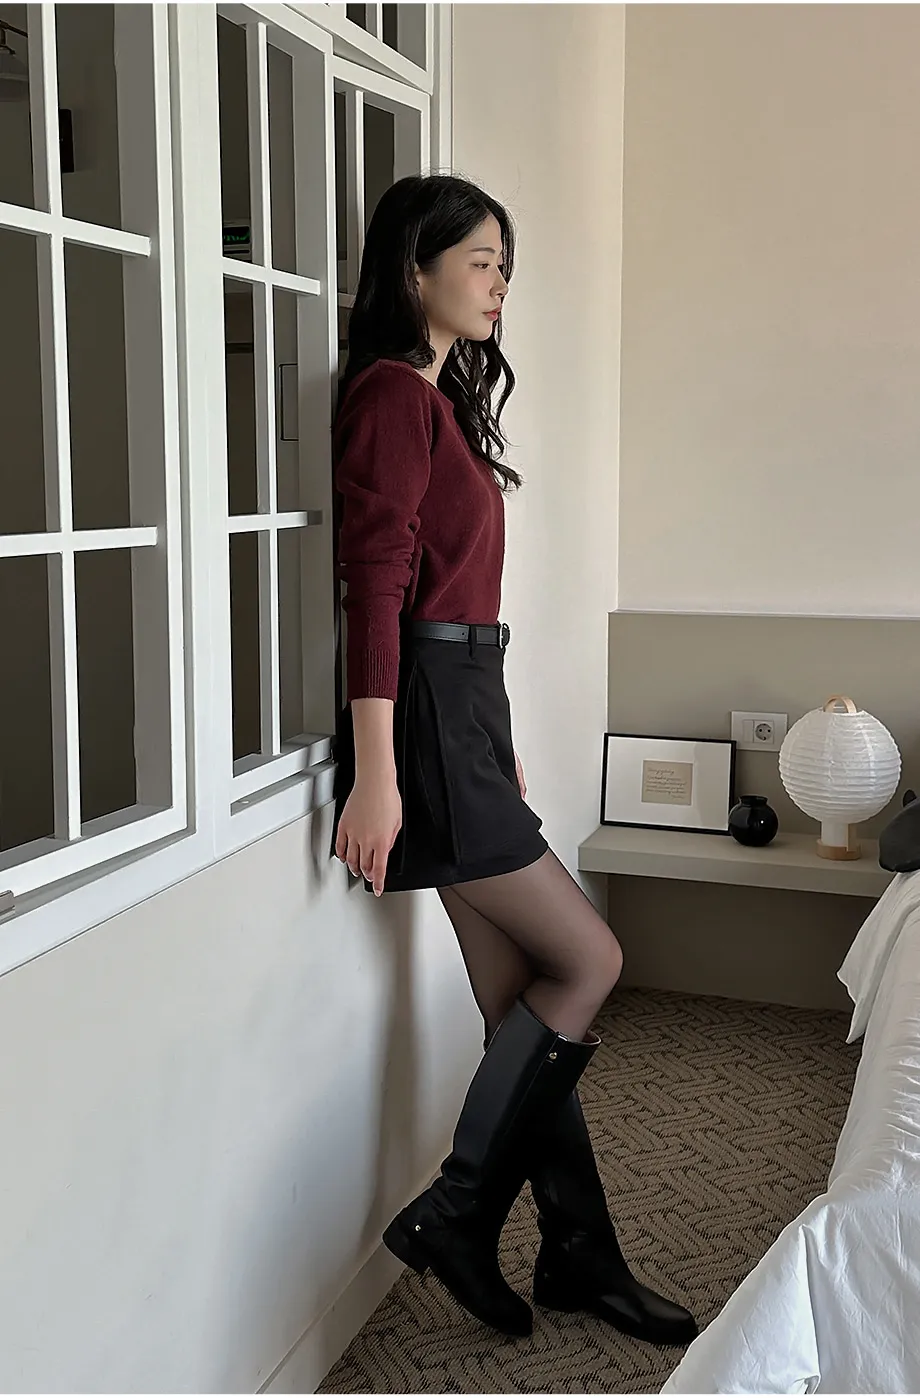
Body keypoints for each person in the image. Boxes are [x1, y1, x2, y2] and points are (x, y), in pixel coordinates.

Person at [331, 173, 697, 1346]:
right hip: (425, 721)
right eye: (479, 262)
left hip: (461, 713)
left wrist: (496, 738)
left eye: (504, 265)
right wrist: (377, 773)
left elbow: (462, 603)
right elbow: (377, 588)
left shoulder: (436, 404)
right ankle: (457, 1213)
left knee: (516, 1010)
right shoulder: (390, 396)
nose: (498, 284)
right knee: (589, 956)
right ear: (414, 271)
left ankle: (577, 1254)